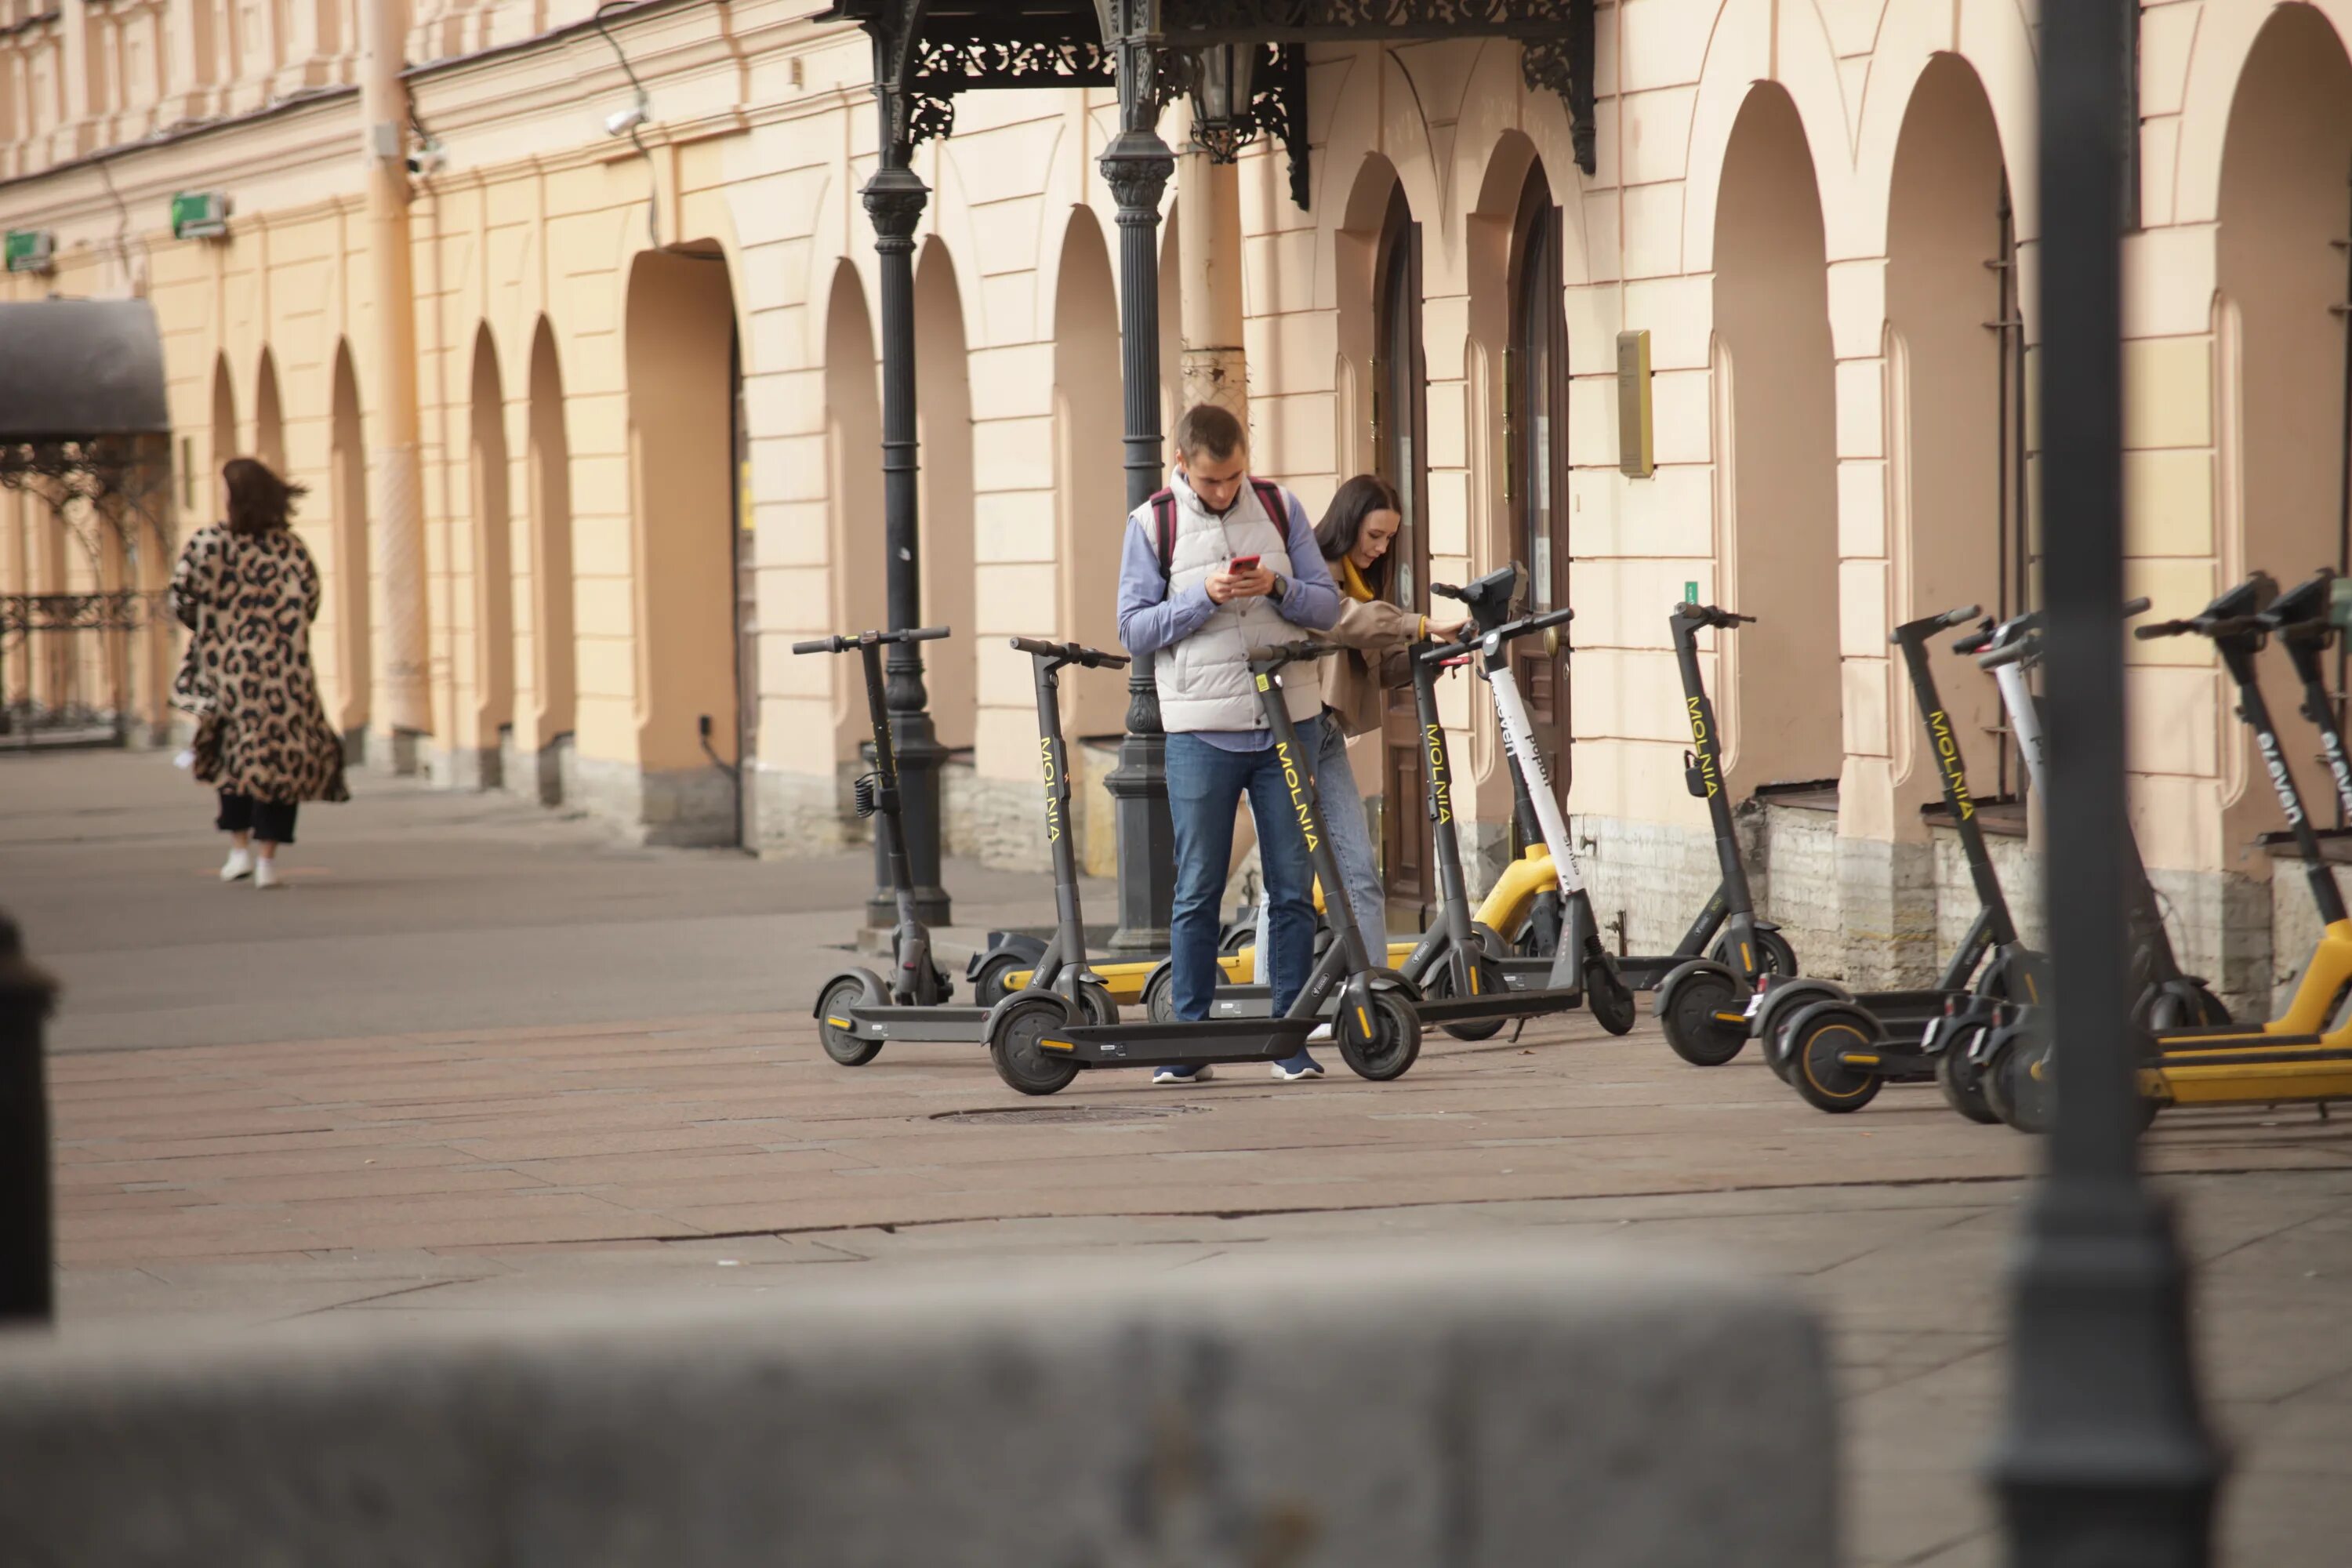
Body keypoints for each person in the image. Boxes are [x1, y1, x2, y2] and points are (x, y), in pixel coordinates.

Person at [1117, 404, 1341, 1083]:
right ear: (1181, 464)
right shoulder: (1151, 523)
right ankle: (1188, 1042)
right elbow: (1132, 630)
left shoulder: (1279, 506)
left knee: (1293, 888)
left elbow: (1327, 607)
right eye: (1212, 481)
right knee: (1197, 889)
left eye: (1234, 477)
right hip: (1200, 733)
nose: (1225, 492)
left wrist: (1276, 585)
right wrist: (1203, 597)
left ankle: (1289, 1039)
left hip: (1287, 723)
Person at [1248, 475, 1468, 1022]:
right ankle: (1266, 998)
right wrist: (1420, 624)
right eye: (1374, 534)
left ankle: (1371, 1001)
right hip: (1292, 731)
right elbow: (1343, 624)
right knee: (1289, 875)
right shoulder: (1318, 580)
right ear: (1349, 523)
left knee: (1358, 876)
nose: (1381, 547)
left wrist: (1431, 657)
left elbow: (1369, 668)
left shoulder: (1359, 585)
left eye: (1390, 538)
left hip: (1322, 735)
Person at [171, 457, 349, 889]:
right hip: (284, 675)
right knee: (277, 766)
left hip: (227, 672)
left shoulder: (208, 544)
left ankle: (238, 851)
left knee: (234, 760)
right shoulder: (290, 548)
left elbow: (181, 600)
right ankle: (267, 859)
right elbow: (310, 603)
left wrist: (217, 630)